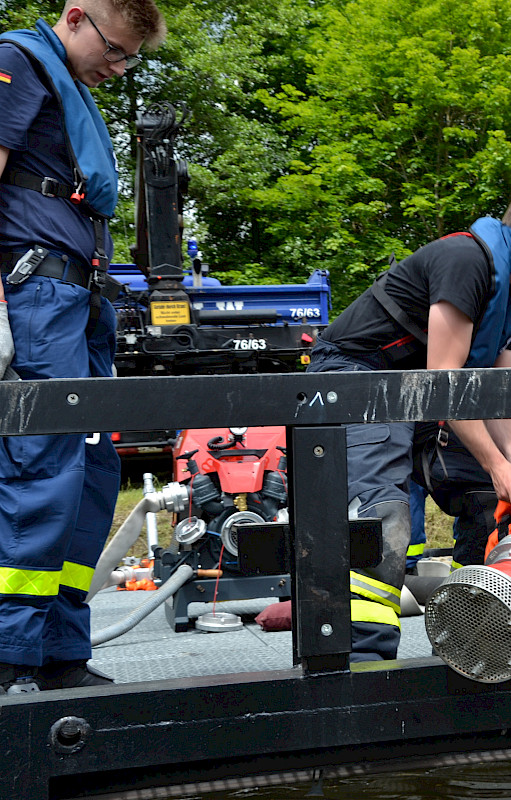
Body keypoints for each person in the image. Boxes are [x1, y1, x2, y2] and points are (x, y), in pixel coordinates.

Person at [307, 180, 511, 660]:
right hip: (356, 374)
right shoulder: (466, 261)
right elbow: (444, 383)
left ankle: (479, 629)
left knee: (489, 498)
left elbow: (495, 393)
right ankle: (364, 657)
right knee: (381, 512)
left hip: (415, 387)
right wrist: (495, 461)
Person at [0, 0, 166, 693]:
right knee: (41, 472)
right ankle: (9, 656)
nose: (118, 67)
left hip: (78, 301)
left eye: (129, 58)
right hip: (37, 296)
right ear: (75, 18)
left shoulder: (67, 84)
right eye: (117, 50)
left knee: (93, 477)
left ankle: (60, 650)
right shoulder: (17, 62)